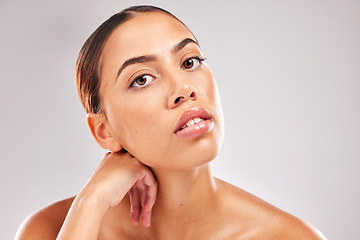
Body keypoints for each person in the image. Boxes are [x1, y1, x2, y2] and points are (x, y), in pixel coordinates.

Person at [15, 5, 326, 240]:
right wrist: (91, 202)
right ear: (103, 130)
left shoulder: (289, 236)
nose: (184, 89)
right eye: (142, 79)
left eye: (190, 62)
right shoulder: (50, 229)